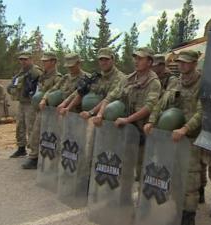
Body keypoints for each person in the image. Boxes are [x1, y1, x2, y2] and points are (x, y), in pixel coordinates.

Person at [143, 50, 202, 225]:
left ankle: (188, 217)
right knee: (174, 177)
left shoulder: (202, 84)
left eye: (185, 62)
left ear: (194, 64)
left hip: (190, 138)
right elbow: (160, 103)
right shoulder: (175, 82)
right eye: (179, 62)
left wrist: (185, 128)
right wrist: (152, 121)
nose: (181, 65)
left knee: (190, 180)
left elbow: (202, 112)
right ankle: (178, 210)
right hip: (171, 137)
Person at [93, 47, 161, 180]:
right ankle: (124, 200)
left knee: (143, 171)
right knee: (123, 166)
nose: (136, 61)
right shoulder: (128, 79)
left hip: (143, 132)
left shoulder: (154, 82)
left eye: (140, 58)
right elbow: (110, 97)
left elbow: (149, 107)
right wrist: (100, 114)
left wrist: (127, 120)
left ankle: (142, 200)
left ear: (149, 62)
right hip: (126, 131)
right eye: (135, 58)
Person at [22, 52, 62, 169]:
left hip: (50, 109)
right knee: (35, 131)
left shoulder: (57, 77)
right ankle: (38, 155)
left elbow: (57, 93)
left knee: (40, 133)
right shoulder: (43, 76)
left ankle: (34, 157)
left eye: (46, 61)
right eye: (43, 61)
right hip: (39, 108)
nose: (43, 63)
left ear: (53, 62)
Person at [59, 48, 125, 117]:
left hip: (112, 116)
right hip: (97, 114)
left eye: (107, 59)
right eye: (101, 60)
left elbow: (109, 99)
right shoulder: (96, 77)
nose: (103, 62)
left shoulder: (120, 78)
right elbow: (80, 92)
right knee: (88, 99)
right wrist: (67, 107)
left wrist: (91, 112)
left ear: (113, 60)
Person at [9, 51, 42, 158]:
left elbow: (41, 85)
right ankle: (21, 148)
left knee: (31, 127)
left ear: (31, 59)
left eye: (25, 59)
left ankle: (35, 152)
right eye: (21, 60)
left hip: (31, 104)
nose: (23, 62)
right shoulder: (21, 72)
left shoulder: (36, 71)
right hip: (22, 103)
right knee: (20, 126)